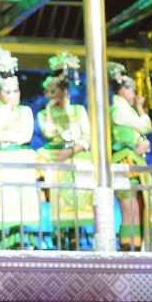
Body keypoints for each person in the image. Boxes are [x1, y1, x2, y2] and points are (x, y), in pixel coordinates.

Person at [0, 47, 40, 249]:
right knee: (0, 205)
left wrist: (2, 136)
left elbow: (26, 135)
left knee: (23, 205)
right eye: (8, 91)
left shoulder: (27, 111)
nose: (13, 95)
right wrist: (9, 127)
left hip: (20, 160)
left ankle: (23, 243)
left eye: (16, 90)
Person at [37, 53, 94, 250]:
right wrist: (51, 112)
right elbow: (48, 132)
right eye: (48, 92)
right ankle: (59, 232)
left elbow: (87, 137)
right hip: (54, 156)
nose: (50, 96)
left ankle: (79, 232)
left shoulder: (78, 111)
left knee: (81, 175)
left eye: (54, 91)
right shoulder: (44, 113)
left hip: (75, 155)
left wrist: (70, 152)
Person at [108, 62, 152, 250]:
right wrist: (138, 142)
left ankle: (137, 248)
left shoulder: (126, 110)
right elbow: (145, 127)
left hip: (133, 162)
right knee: (130, 210)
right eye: (132, 90)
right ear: (122, 91)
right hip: (122, 163)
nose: (134, 94)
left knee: (139, 209)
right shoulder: (118, 110)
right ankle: (128, 251)